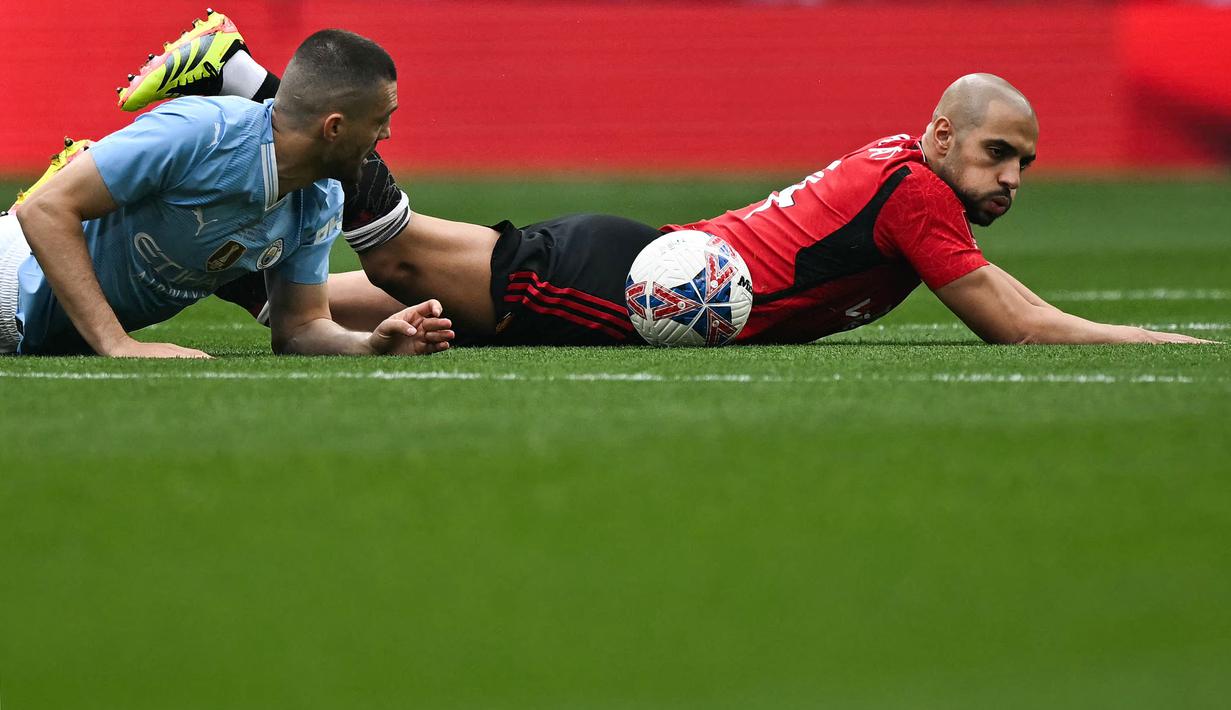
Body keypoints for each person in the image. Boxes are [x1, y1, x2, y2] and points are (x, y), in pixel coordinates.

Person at [110, 11, 1212, 347]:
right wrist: (1184, 347)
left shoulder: (899, 160)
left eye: (1025, 160)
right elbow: (1019, 322)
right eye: (997, 152)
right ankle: (251, 75)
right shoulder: (918, 191)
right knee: (396, 252)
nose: (1011, 174)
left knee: (346, 303)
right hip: (632, 281)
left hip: (639, 260)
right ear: (939, 137)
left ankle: (218, 267)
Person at [1, 24, 453, 357]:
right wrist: (116, 344)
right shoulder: (203, 131)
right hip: (12, 277)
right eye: (379, 120)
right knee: (58, 202)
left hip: (44, 331)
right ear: (334, 128)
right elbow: (42, 209)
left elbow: (300, 327)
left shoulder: (322, 197)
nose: (388, 135)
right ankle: (91, 175)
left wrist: (370, 344)